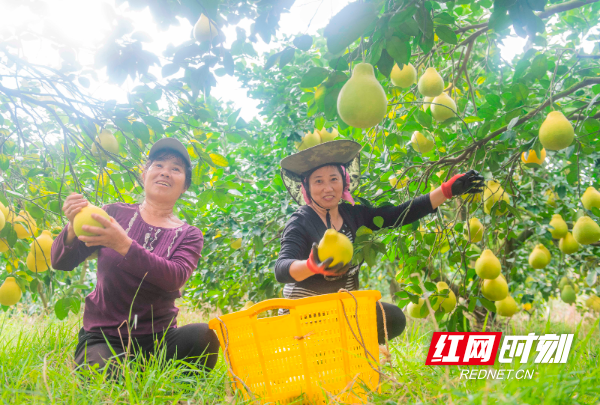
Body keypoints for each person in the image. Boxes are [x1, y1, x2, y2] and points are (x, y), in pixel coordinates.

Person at [275, 139, 483, 344]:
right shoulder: (301, 221)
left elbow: (397, 215)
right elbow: (282, 269)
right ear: (307, 187)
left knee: (392, 318)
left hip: (342, 308)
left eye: (333, 179)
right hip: (303, 313)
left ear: (344, 182)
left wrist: (447, 191)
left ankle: (347, 350)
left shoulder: (353, 215)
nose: (327, 187)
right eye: (318, 181)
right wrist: (311, 266)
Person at [51, 137, 220, 375]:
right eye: (158, 165)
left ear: (184, 186)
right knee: (105, 371)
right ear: (144, 174)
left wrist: (123, 244)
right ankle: (123, 370)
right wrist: (71, 227)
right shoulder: (113, 214)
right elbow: (62, 262)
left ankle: (172, 388)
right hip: (105, 337)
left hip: (159, 341)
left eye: (176, 169)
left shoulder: (189, 234)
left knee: (204, 336)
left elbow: (174, 278)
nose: (165, 173)